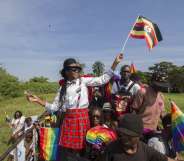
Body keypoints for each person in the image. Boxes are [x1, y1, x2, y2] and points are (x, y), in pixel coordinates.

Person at [26, 54, 123, 155]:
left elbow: (102, 79)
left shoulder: (83, 81)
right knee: (69, 151)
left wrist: (115, 63)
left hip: (82, 119)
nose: (77, 70)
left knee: (83, 149)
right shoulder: (62, 88)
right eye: (74, 69)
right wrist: (38, 100)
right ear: (67, 71)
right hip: (68, 121)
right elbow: (55, 107)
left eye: (78, 68)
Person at [102, 113, 176, 161]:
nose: (124, 137)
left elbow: (165, 159)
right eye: (123, 134)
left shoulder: (145, 150)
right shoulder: (111, 149)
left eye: (129, 135)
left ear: (139, 136)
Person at [131, 77, 166, 143]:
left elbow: (163, 114)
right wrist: (134, 129)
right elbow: (134, 111)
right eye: (159, 85)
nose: (161, 87)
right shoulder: (142, 92)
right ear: (152, 82)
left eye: (162, 85)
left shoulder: (161, 96)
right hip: (141, 130)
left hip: (154, 130)